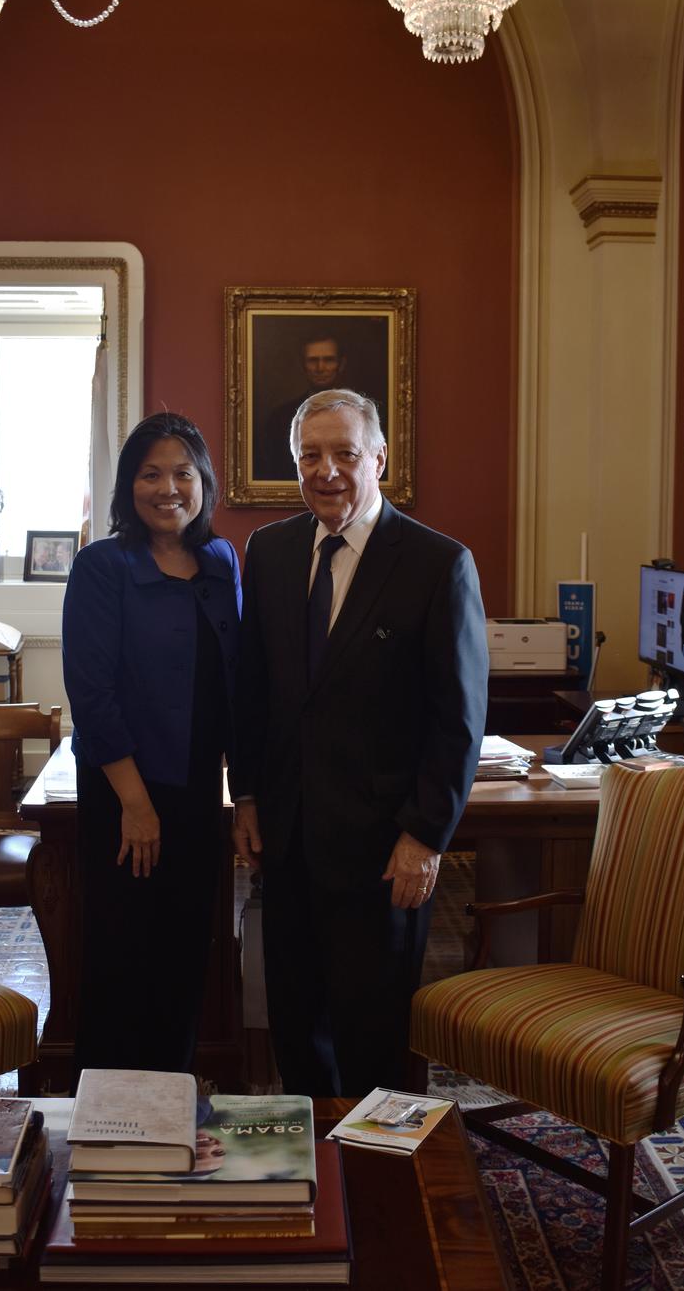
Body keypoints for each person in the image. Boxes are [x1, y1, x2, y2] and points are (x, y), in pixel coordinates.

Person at [232, 388, 488, 1097]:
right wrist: (246, 793)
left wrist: (425, 837)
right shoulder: (273, 550)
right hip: (286, 840)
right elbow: (253, 689)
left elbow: (457, 718)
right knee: (294, 1023)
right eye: (310, 456)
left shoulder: (438, 563)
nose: (327, 470)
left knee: (373, 1033)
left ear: (379, 458)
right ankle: (317, 1172)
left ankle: (376, 1187)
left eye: (345, 453)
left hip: (383, 848)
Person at [62, 412, 241, 1083]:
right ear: (128, 485)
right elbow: (93, 694)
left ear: (204, 484)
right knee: (123, 959)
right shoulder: (102, 566)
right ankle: (105, 1124)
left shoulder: (221, 562)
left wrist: (241, 790)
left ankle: (170, 1104)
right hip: (125, 793)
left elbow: (234, 684)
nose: (169, 487)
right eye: (151, 473)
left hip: (197, 792)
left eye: (183, 473)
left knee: (185, 954)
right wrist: (136, 804)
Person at [256, 332, 387, 481]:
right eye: (313, 360)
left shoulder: (367, 416)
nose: (320, 367)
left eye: (329, 360)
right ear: (302, 365)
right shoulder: (279, 417)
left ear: (341, 364)